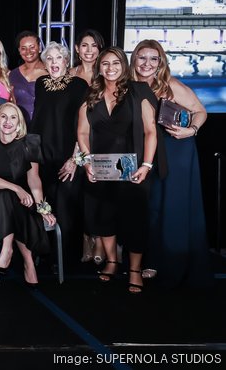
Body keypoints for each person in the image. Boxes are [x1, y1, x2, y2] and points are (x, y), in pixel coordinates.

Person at [131, 39, 212, 289]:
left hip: (175, 149)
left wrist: (191, 130)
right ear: (134, 59)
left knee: (172, 207)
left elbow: (200, 111)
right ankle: (152, 258)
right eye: (142, 57)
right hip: (145, 151)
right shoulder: (128, 86)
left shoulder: (170, 85)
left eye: (153, 58)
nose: (147, 63)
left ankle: (170, 263)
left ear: (161, 62)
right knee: (151, 208)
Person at [77, 47, 157, 294]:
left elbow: (150, 131)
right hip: (100, 169)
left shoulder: (138, 90)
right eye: (105, 64)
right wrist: (87, 161)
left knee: (135, 220)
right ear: (99, 67)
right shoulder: (91, 93)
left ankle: (134, 270)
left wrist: (146, 165)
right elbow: (81, 132)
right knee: (103, 217)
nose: (110, 68)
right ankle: (112, 261)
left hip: (133, 169)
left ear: (123, 65)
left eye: (115, 63)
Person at [0, 103, 57, 287]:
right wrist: (17, 189)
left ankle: (8, 252)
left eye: (13, 117)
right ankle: (25, 261)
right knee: (6, 197)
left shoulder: (30, 143)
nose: (8, 121)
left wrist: (42, 207)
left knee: (15, 204)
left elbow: (34, 180)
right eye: (4, 117)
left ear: (19, 123)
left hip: (26, 199)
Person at [29, 42, 89, 264]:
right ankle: (47, 254)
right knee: (47, 204)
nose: (54, 63)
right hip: (44, 155)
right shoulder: (41, 83)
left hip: (69, 156)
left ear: (66, 61)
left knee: (66, 206)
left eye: (58, 58)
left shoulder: (79, 85)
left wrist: (75, 159)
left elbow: (83, 125)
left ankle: (66, 258)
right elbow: (38, 120)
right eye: (50, 59)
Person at [68, 29, 105, 262]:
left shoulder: (109, 74)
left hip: (102, 142)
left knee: (100, 195)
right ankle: (85, 242)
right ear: (76, 49)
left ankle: (101, 242)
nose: (89, 50)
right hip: (75, 141)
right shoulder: (69, 75)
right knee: (79, 195)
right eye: (84, 45)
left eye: (94, 45)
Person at [9, 30, 48, 122]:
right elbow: (13, 102)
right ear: (19, 50)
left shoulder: (49, 71)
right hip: (20, 126)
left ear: (40, 48)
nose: (28, 51)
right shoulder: (13, 74)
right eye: (23, 48)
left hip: (44, 124)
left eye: (32, 47)